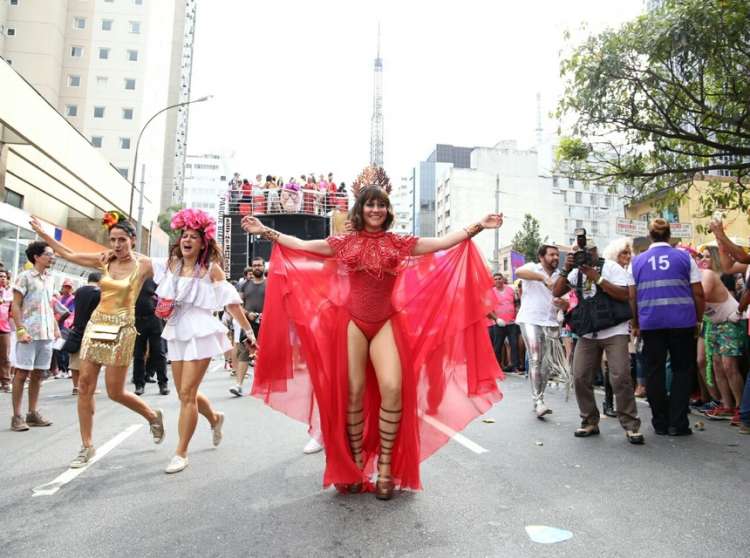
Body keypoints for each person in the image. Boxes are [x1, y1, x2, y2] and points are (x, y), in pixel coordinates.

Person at [242, 186, 503, 500]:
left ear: (387, 210)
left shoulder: (399, 242)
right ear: (361, 209)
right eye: (370, 205)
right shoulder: (344, 242)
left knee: (393, 387)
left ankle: (386, 468)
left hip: (386, 323)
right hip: (351, 322)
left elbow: (443, 242)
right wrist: (265, 230)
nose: (376, 210)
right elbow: (301, 245)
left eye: (381, 205)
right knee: (352, 392)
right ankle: (353, 465)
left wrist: (479, 225)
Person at [30, 212, 165, 467]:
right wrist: (46, 235)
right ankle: (87, 446)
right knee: (85, 387)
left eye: (122, 240)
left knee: (115, 392)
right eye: (113, 240)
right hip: (96, 326)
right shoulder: (104, 260)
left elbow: (176, 269)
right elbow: (69, 254)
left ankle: (151, 415)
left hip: (123, 328)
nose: (116, 245)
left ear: (132, 240)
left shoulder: (145, 264)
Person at [154, 208, 256, 474]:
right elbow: (139, 262)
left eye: (193, 237)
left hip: (201, 330)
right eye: (184, 236)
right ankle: (214, 418)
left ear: (203, 243)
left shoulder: (212, 270)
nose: (187, 240)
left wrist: (248, 331)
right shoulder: (171, 266)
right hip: (176, 330)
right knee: (183, 393)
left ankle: (181, 452)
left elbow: (232, 305)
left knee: (187, 394)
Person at [554, 240, 643, 444]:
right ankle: (589, 421)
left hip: (614, 331)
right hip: (588, 332)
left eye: (584, 252)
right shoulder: (575, 272)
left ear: (594, 252)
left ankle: (631, 425)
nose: (581, 256)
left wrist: (598, 279)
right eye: (576, 253)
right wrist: (565, 269)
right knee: (580, 376)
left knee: (620, 376)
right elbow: (556, 292)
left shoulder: (610, 267)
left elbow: (624, 294)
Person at [630, 219, 704, 436]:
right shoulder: (684, 257)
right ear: (669, 235)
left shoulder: (637, 262)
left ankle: (660, 422)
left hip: (651, 323)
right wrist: (698, 319)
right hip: (682, 322)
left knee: (654, 372)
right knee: (682, 371)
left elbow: (632, 297)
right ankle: (678, 423)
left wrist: (636, 323)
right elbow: (698, 293)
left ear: (650, 236)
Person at [10, 242, 58, 431]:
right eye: (48, 254)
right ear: (37, 257)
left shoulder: (50, 278)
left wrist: (55, 327)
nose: (52, 257)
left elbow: (49, 305)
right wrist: (20, 330)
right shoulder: (25, 277)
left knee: (38, 375)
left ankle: (32, 413)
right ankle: (17, 416)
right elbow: (15, 305)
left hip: (45, 335)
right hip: (28, 334)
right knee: (22, 374)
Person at [694, 246, 744, 422]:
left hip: (730, 322)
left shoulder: (706, 275)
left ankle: (740, 408)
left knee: (729, 365)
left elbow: (703, 295)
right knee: (716, 364)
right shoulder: (691, 279)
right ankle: (727, 405)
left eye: (704, 256)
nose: (701, 259)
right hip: (715, 323)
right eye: (700, 256)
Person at [516, 245, 566, 418]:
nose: (555, 257)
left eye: (557, 255)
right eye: (552, 254)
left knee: (546, 363)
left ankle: (540, 398)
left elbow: (566, 300)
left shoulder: (561, 275)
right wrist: (542, 278)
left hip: (551, 322)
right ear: (541, 257)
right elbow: (519, 273)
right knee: (536, 358)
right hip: (530, 318)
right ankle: (538, 401)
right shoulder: (532, 268)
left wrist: (563, 304)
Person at [62, 272, 102, 396]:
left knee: (75, 359)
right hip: (93, 327)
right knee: (91, 360)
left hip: (78, 327)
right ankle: (90, 387)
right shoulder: (99, 292)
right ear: (99, 280)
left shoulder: (78, 292)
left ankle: (76, 387)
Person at [231, 257, 265, 397]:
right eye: (254, 265)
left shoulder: (271, 283)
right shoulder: (244, 285)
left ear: (264, 267)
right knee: (244, 354)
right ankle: (238, 385)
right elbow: (238, 305)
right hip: (248, 325)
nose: (257, 267)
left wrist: (265, 314)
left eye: (259, 265)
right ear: (251, 267)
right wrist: (248, 314)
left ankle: (264, 385)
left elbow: (276, 303)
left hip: (266, 324)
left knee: (265, 354)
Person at [133, 278, 169, 396]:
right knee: (138, 354)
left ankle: (163, 384)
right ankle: (139, 384)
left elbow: (165, 296)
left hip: (154, 319)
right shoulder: (131, 279)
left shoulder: (154, 279)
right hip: (137, 321)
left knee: (159, 352)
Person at [488, 273, 520, 371]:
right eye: (495, 279)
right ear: (493, 281)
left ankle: (516, 367)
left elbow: (517, 303)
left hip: (511, 322)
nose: (497, 280)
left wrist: (518, 315)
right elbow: (488, 309)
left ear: (503, 279)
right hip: (498, 323)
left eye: (499, 278)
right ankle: (496, 368)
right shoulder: (491, 292)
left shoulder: (511, 289)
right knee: (498, 346)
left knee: (514, 344)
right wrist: (496, 319)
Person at [0, 269, 12, 393]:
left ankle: (6, 382)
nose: (2, 278)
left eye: (4, 276)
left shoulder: (9, 293)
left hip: (4, 328)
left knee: (5, 357)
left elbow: (12, 311)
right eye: (0, 276)